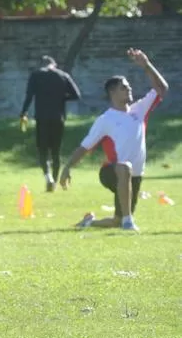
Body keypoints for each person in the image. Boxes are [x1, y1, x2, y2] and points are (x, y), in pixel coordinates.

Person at [59, 48, 168, 232]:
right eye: (124, 87)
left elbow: (162, 89)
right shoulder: (105, 120)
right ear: (112, 93)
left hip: (135, 175)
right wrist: (67, 167)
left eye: (129, 86)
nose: (129, 89)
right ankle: (128, 223)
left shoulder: (139, 110)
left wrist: (146, 65)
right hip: (112, 172)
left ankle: (90, 222)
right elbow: (85, 147)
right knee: (124, 167)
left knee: (117, 220)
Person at [20, 56, 82, 192]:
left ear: (42, 64)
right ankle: (54, 180)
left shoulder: (36, 75)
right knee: (56, 151)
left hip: (42, 117)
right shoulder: (62, 75)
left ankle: (48, 177)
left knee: (42, 150)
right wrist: (62, 98)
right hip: (58, 117)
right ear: (54, 64)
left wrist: (23, 112)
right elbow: (76, 95)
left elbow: (29, 95)